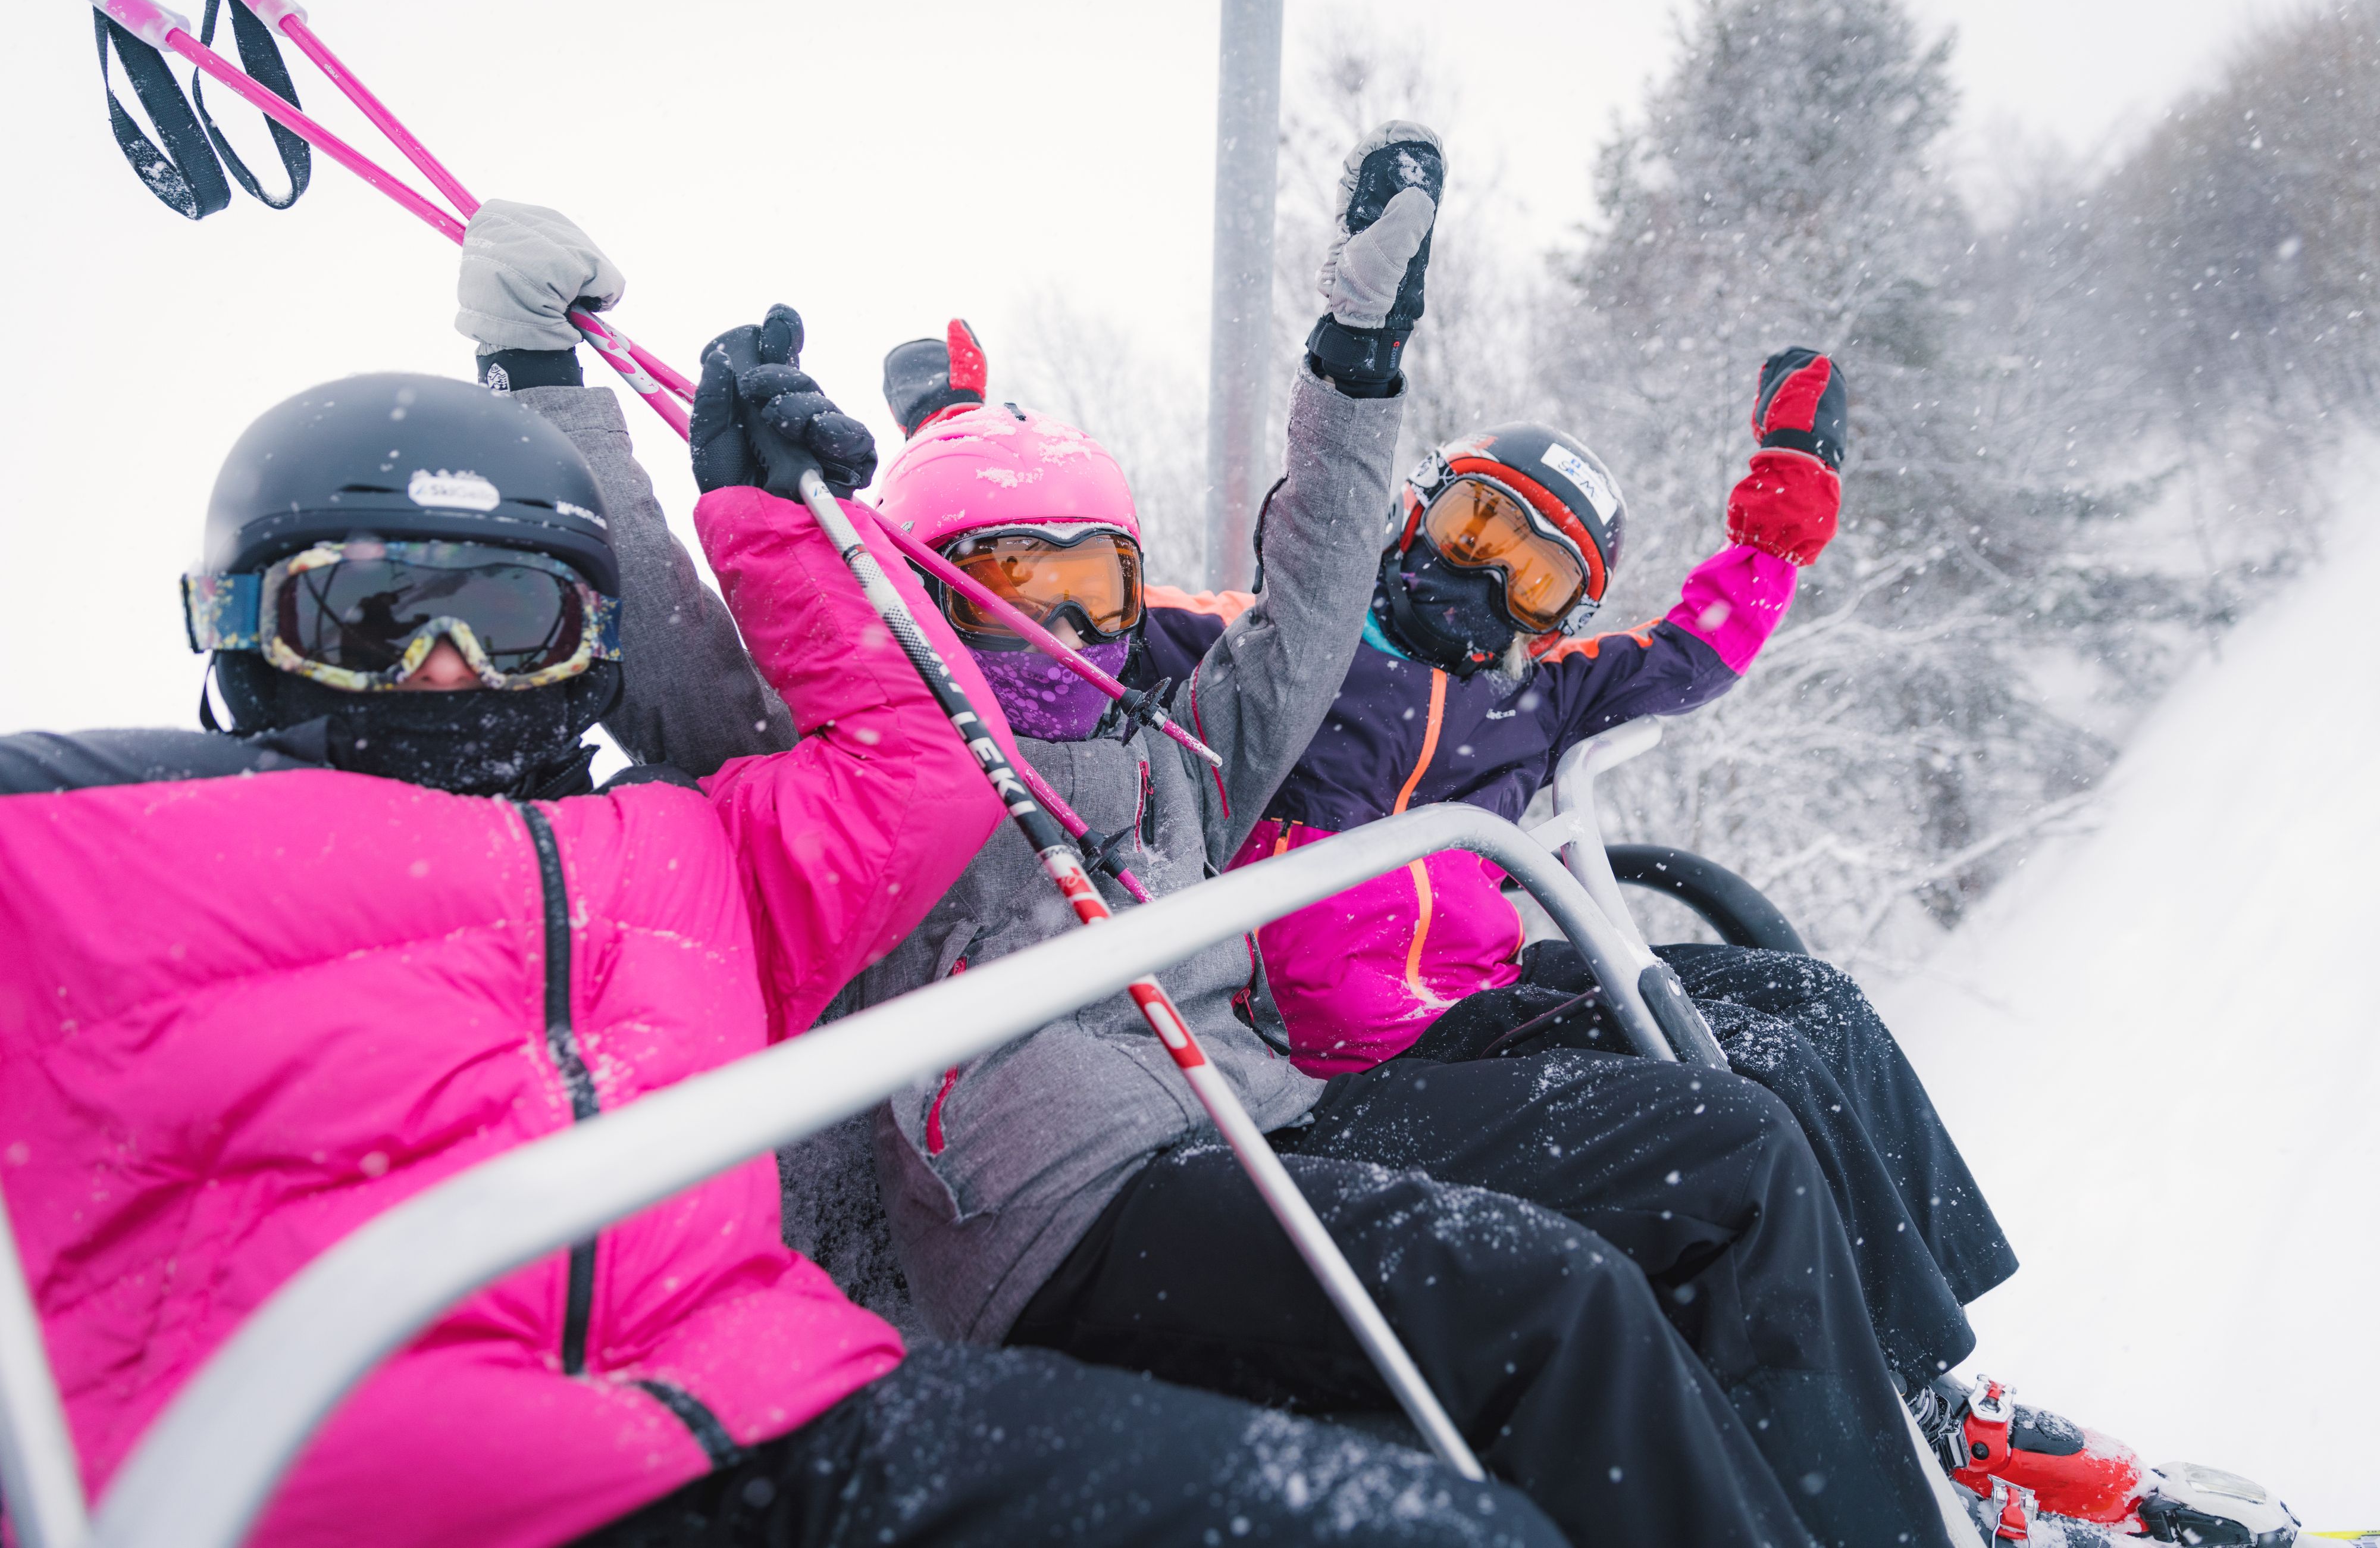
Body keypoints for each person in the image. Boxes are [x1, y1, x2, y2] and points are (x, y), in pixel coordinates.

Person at [0, 353, 1561, 1547]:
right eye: (371, 615)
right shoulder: (83, 847)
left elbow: (929, 760)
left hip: (789, 1407)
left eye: (511, 618)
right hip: (353, 1472)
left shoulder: (690, 850)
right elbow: (750, 691)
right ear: (228, 625)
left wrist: (764, 511)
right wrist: (557, 382)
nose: (446, 669)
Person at [1115, 360, 2297, 1543]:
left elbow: (1697, 647)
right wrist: (969, 478)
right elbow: (1068, 628)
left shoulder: (1539, 694)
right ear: (1417, 504)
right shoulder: (1274, 650)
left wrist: (1782, 506)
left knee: (1807, 1009)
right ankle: (1865, 1471)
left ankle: (1931, 1390)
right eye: (1473, 518)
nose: (1479, 570)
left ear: (1558, 614)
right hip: (1326, 1056)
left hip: (1474, 1006)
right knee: (1738, 1112)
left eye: (1530, 570)